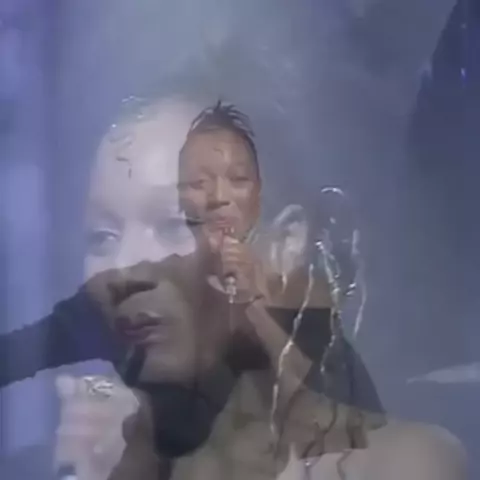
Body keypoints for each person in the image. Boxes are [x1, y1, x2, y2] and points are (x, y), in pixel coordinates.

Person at [0, 97, 466, 480]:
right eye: (102, 237)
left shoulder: (400, 466)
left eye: (177, 222)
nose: (122, 269)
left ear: (283, 244)